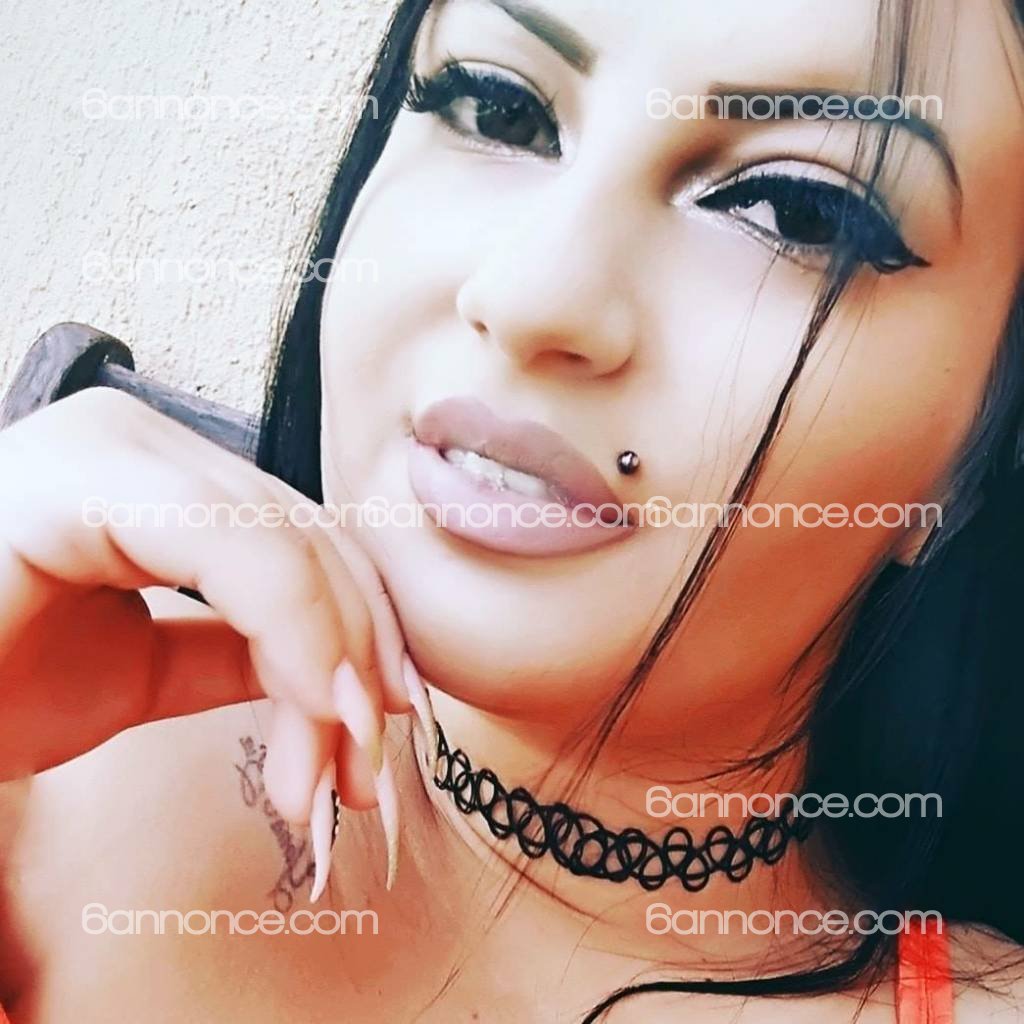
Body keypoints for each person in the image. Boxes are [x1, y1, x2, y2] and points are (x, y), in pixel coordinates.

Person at [2, 0, 1024, 1019]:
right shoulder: (41, 765)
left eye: (798, 212)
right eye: (498, 108)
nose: (534, 294)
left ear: (979, 443)